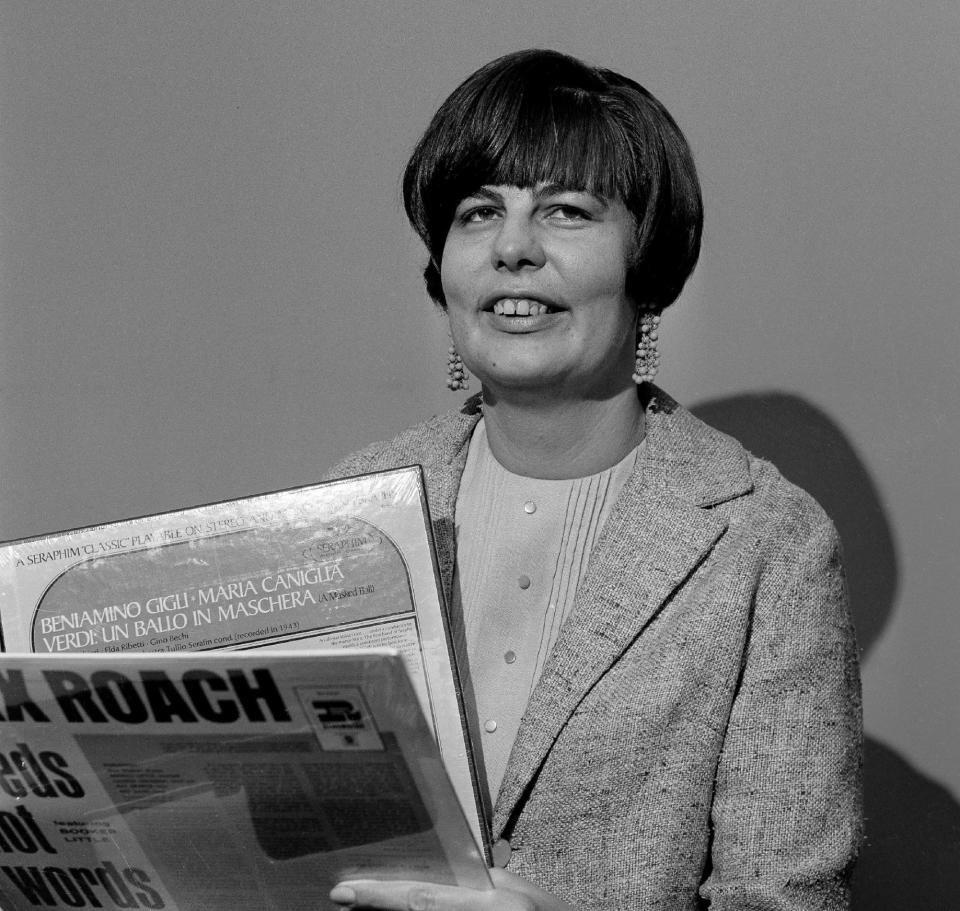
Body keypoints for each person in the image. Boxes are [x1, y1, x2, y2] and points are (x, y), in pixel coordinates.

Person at [326, 49, 862, 911]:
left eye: (566, 211)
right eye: (478, 212)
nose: (511, 248)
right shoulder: (354, 502)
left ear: (645, 265)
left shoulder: (767, 540)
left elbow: (784, 900)